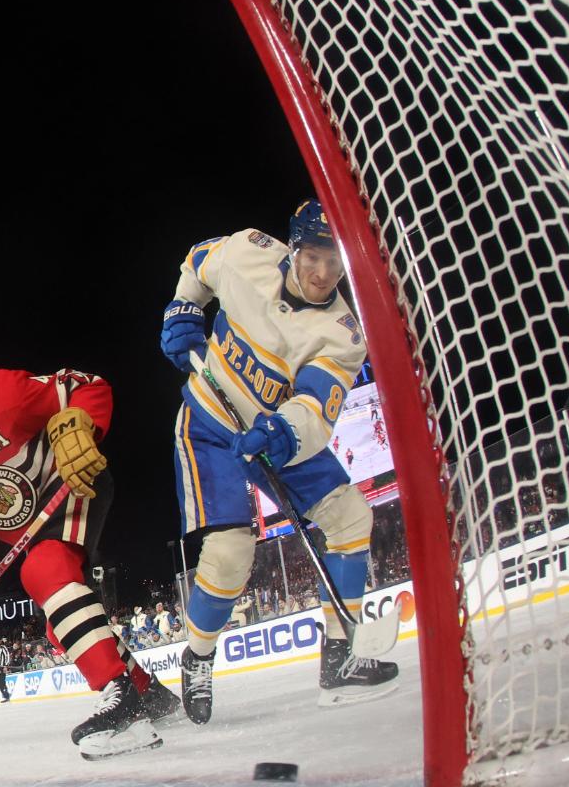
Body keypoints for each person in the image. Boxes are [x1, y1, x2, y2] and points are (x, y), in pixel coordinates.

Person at [159, 199, 398, 720]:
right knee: (229, 555)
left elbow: (314, 407)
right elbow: (198, 262)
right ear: (295, 246)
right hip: (210, 426)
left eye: (336, 262)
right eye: (315, 255)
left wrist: (283, 430)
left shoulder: (342, 334)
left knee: (352, 517)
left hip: (274, 432)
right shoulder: (248, 251)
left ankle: (341, 661)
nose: (323, 273)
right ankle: (197, 658)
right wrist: (183, 306)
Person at [0, 338, 178, 759]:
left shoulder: (5, 391)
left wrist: (81, 423)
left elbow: (89, 385)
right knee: (61, 623)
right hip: (30, 529)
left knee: (42, 571)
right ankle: (148, 693)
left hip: (71, 486)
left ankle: (121, 698)